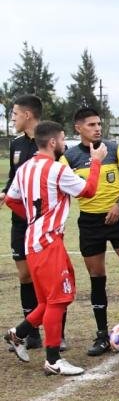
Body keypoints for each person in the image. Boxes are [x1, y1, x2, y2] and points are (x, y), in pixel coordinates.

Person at [3, 120, 103, 374]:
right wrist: (96, 161)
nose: (64, 144)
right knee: (58, 300)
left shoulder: (25, 168)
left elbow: (11, 200)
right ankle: (53, 360)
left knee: (51, 299)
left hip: (34, 240)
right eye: (61, 139)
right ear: (52, 143)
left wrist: (35, 219)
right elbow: (89, 191)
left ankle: (18, 334)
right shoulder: (57, 170)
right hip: (47, 242)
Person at [60, 107, 119, 356]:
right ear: (78, 128)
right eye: (91, 125)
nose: (97, 128)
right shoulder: (70, 158)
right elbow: (67, 189)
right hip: (90, 223)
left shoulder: (113, 148)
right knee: (97, 277)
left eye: (99, 124)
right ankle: (101, 334)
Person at [4, 94, 44, 350]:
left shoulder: (49, 141)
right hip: (20, 220)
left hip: (42, 221)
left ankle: (55, 332)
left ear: (27, 115)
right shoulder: (16, 144)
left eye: (15, 114)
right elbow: (13, 178)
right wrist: (5, 193)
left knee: (45, 278)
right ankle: (31, 332)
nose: (12, 118)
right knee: (24, 275)